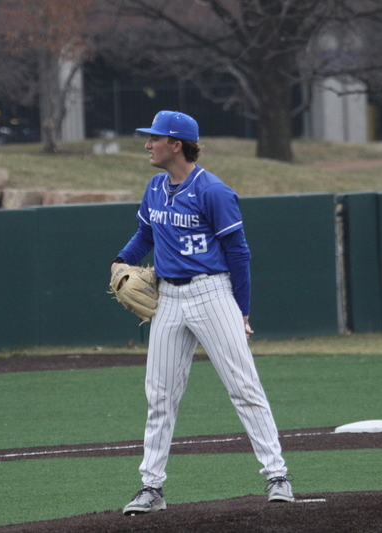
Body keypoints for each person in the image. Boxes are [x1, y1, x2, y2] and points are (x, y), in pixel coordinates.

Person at [113, 110, 293, 516]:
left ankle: (277, 475)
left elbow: (239, 254)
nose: (147, 145)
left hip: (213, 294)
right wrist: (120, 260)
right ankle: (151, 488)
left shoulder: (213, 190)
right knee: (159, 396)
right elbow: (146, 233)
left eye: (154, 138)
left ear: (176, 144)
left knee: (243, 387)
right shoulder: (156, 187)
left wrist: (242, 311)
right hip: (169, 301)